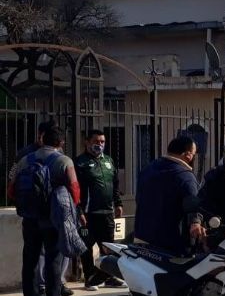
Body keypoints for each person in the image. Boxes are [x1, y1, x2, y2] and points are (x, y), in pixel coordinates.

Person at [9, 125, 80, 296]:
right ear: (61, 142)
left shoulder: (25, 160)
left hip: (30, 218)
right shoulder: (64, 161)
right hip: (53, 218)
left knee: (30, 259)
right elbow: (75, 189)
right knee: (53, 259)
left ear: (42, 139)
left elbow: (11, 190)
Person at [134, 136, 204, 256]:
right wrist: (196, 222)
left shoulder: (148, 169)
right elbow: (193, 206)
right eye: (194, 154)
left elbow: (138, 199)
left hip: (142, 237)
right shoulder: (185, 176)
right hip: (171, 244)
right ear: (188, 155)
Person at [74, 130, 126, 291]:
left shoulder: (108, 161)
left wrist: (118, 203)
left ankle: (108, 276)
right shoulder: (79, 163)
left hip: (107, 213)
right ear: (87, 142)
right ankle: (90, 278)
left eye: (102, 142)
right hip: (88, 214)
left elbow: (115, 185)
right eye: (96, 142)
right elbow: (75, 190)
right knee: (87, 247)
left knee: (108, 247)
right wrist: (79, 211)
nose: (100, 145)